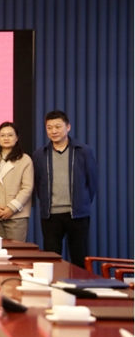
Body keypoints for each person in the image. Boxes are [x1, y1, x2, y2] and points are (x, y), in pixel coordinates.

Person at [33, 110, 97, 268]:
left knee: (79, 258)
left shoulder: (83, 151)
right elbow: (38, 184)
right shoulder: (40, 154)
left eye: (58, 126)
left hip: (77, 214)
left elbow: (91, 182)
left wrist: (81, 201)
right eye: (49, 127)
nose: (53, 131)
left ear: (68, 127)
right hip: (50, 216)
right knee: (51, 260)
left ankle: (80, 284)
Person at [0, 122, 34, 242]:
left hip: (16, 216)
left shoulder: (25, 159)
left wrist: (11, 208)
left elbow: (27, 188)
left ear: (17, 138)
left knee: (16, 251)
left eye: (10, 135)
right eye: (2, 135)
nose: (6, 138)